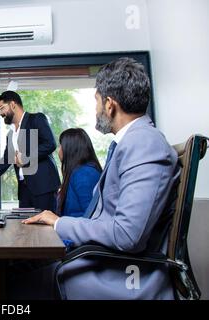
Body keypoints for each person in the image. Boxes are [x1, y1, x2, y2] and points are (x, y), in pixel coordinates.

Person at [23, 57, 180, 299]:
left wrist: (58, 222)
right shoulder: (132, 143)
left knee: (7, 283)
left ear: (109, 105)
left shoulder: (144, 144)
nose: (96, 110)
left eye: (96, 101)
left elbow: (128, 235)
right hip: (101, 261)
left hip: (119, 275)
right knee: (17, 267)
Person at [0, 91, 60, 211]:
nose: (1, 113)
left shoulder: (36, 119)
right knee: (25, 228)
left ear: (13, 104)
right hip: (24, 190)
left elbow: (50, 144)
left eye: (2, 108)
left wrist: (26, 157)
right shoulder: (11, 134)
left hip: (44, 187)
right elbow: (6, 160)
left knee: (44, 228)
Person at [55, 128, 102, 217]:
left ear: (70, 148)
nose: (59, 150)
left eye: (60, 145)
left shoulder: (84, 174)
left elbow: (91, 215)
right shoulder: (78, 171)